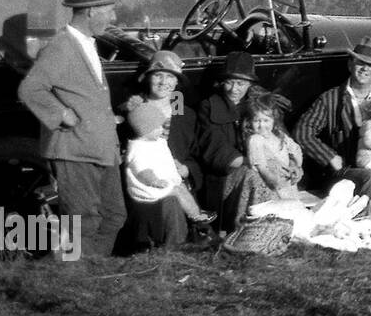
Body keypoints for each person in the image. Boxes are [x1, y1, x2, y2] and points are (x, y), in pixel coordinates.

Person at [17, 0, 127, 256]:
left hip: (100, 149)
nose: (113, 16)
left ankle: (88, 273)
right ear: (91, 11)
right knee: (83, 223)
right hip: (75, 150)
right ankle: (78, 281)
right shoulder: (61, 46)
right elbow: (30, 89)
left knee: (114, 216)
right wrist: (61, 114)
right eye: (109, 10)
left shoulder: (87, 43)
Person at [295, 37, 371, 202]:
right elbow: (302, 132)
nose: (365, 68)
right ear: (350, 64)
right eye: (360, 62)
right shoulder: (331, 99)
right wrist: (329, 157)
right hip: (345, 171)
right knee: (370, 180)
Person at [116, 51, 204, 250]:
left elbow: (194, 153)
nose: (164, 82)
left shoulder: (184, 113)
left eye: (171, 76)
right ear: (148, 78)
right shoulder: (132, 109)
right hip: (142, 186)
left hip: (177, 182)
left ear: (177, 83)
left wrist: (187, 168)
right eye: (158, 75)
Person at [195, 51, 260, 229]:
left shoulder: (258, 105)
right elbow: (213, 144)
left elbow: (278, 134)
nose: (234, 89)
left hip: (261, 166)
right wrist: (248, 162)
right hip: (225, 176)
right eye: (229, 82)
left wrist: (290, 160)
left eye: (241, 83)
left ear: (249, 84)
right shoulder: (208, 106)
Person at [122, 102, 215, 227]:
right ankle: (195, 215)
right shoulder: (138, 148)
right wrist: (154, 181)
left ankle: (196, 211)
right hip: (148, 188)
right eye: (157, 127)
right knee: (177, 190)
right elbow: (142, 170)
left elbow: (165, 158)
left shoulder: (157, 142)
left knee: (181, 187)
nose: (162, 129)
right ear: (145, 130)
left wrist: (174, 163)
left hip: (164, 181)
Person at [225, 90, 303, 228]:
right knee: (276, 216)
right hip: (270, 185)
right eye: (257, 121)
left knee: (293, 215)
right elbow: (260, 164)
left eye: (266, 120)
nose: (262, 125)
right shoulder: (255, 139)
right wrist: (272, 180)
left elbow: (295, 150)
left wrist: (296, 166)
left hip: (287, 183)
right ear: (249, 122)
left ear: (274, 120)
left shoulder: (280, 136)